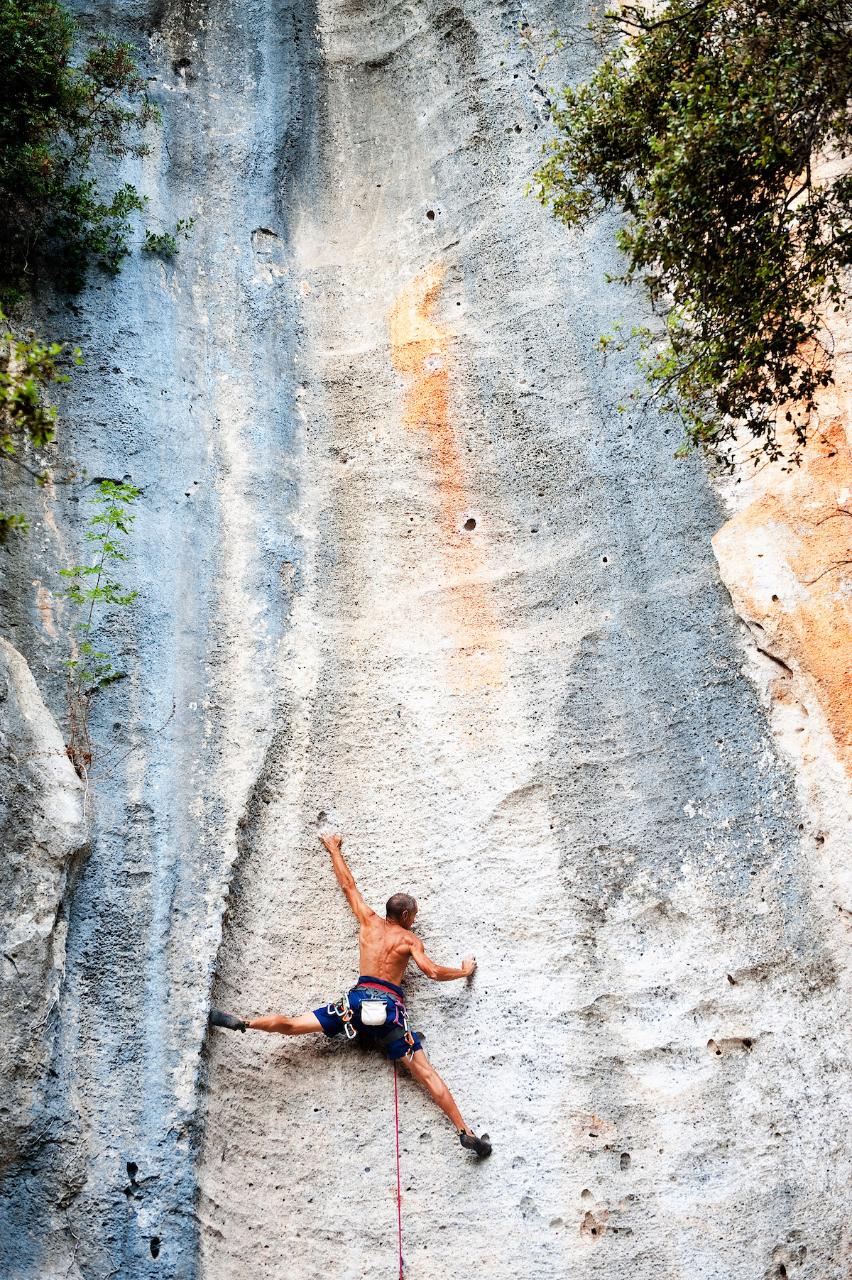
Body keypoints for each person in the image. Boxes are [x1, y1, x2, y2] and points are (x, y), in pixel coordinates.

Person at [210, 830, 491, 1157]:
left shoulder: (368, 921)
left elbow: (348, 886)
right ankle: (464, 1130)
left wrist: (333, 848)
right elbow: (431, 971)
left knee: (295, 1024)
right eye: (414, 915)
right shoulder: (409, 941)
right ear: (404, 916)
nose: (415, 921)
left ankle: (244, 1023)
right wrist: (464, 970)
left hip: (354, 1005)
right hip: (388, 1011)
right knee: (426, 1074)